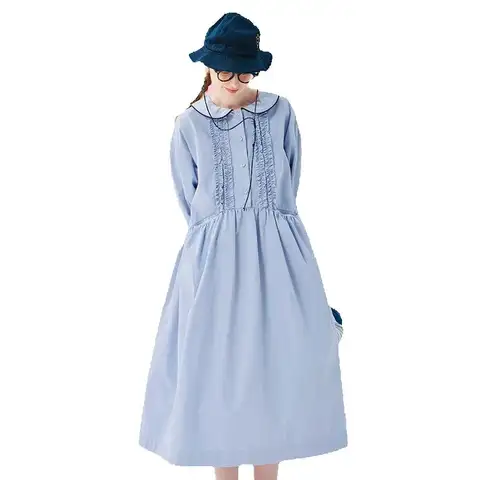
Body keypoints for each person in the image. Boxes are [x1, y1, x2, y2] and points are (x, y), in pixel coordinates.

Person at [138, 12, 347, 480]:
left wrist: (267, 230)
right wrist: (225, 235)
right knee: (219, 368)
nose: (235, 82)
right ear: (208, 67)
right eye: (225, 71)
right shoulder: (189, 124)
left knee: (277, 362)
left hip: (279, 248)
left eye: (245, 72)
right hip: (213, 257)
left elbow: (290, 179)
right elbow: (190, 200)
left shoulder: (280, 111)